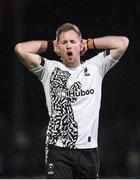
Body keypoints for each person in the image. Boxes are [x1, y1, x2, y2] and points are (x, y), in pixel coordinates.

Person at [15, 23, 129, 179]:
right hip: (58, 150)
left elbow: (122, 42)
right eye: (64, 42)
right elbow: (20, 49)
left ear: (80, 46)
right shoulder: (49, 69)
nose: (69, 46)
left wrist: (89, 43)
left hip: (88, 151)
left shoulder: (95, 67)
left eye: (73, 42)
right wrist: (50, 44)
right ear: (58, 48)